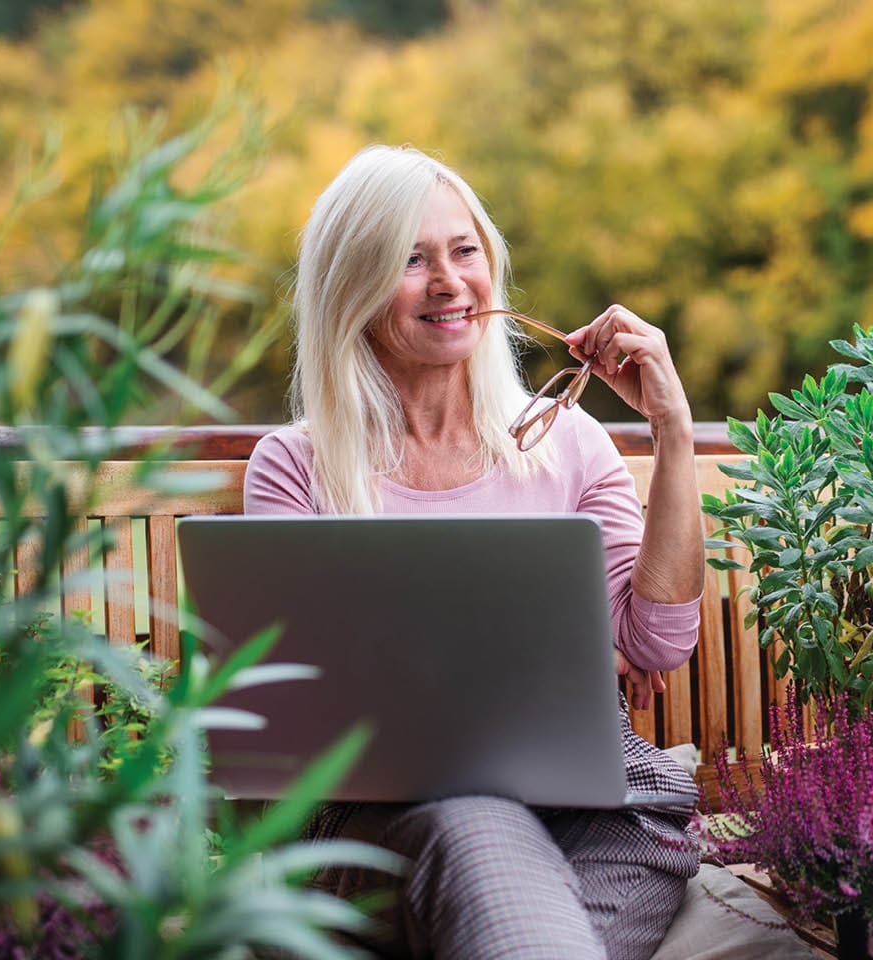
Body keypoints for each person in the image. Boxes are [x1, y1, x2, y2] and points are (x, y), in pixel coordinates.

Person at [244, 144, 705, 960]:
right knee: (482, 821)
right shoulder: (296, 468)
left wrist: (673, 430)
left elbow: (657, 642)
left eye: (464, 252)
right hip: (383, 827)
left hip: (607, 820)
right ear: (349, 286)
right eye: (409, 260)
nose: (448, 280)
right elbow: (292, 718)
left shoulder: (568, 445)